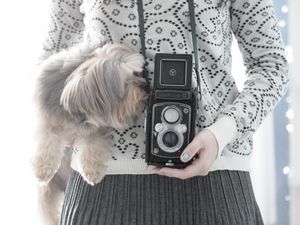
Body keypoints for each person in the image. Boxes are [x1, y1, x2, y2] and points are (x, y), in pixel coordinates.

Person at [38, 0, 289, 224]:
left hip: (216, 182)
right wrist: (64, 120)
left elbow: (272, 66)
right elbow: (49, 59)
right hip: (102, 181)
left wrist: (221, 133)